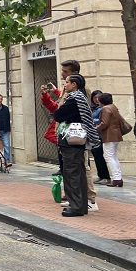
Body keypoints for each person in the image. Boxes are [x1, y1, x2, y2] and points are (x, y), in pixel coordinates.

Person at [53, 74, 98, 217]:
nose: (64, 85)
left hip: (72, 142)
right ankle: (81, 205)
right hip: (76, 143)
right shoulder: (80, 98)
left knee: (71, 173)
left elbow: (58, 115)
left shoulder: (74, 99)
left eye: (67, 82)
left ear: (74, 84)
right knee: (78, 173)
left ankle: (76, 206)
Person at [96, 93, 127, 187]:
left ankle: (116, 178)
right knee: (113, 156)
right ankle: (118, 177)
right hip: (115, 134)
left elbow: (104, 123)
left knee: (109, 156)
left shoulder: (105, 109)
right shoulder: (113, 107)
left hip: (109, 135)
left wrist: (96, 128)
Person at [89, 90, 110, 185]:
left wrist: (92, 121)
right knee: (96, 156)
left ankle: (105, 176)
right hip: (93, 135)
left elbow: (103, 120)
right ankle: (101, 175)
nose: (97, 100)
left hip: (100, 134)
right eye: (94, 98)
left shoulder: (103, 108)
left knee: (101, 155)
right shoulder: (92, 108)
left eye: (98, 97)